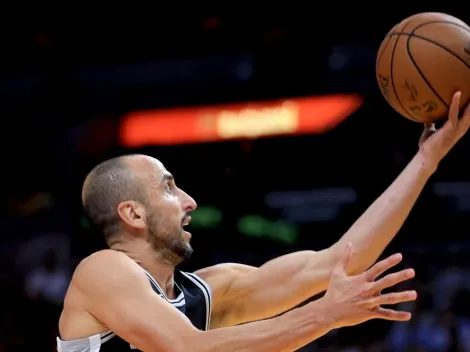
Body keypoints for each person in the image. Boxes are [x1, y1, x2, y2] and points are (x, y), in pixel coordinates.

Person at [57, 92, 470, 352]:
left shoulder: (207, 292)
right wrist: (324, 316)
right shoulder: (102, 270)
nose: (190, 201)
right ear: (132, 213)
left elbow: (333, 263)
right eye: (169, 188)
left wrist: (427, 159)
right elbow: (185, 348)